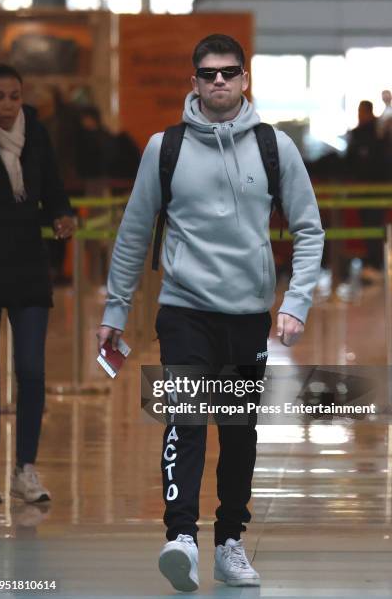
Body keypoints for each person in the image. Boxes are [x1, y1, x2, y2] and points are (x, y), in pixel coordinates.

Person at [97, 34, 324, 591]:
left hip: (247, 315)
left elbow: (310, 229)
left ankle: (228, 542)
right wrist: (114, 309)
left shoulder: (275, 148)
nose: (218, 81)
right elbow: (132, 234)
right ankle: (179, 537)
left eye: (228, 72)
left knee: (240, 431)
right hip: (183, 310)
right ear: (194, 82)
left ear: (245, 79)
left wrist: (295, 303)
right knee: (187, 419)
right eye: (208, 73)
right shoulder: (164, 148)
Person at [0, 64, 76, 504]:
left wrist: (62, 213)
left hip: (27, 266)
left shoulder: (35, 134)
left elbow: (53, 186)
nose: (6, 105)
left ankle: (26, 469)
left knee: (32, 370)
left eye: (13, 96)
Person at [345, 100, 386, 280]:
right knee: (369, 226)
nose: (359, 116)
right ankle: (373, 263)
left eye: (362, 112)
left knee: (374, 226)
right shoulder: (362, 135)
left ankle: (375, 264)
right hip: (364, 190)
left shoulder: (376, 135)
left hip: (374, 190)